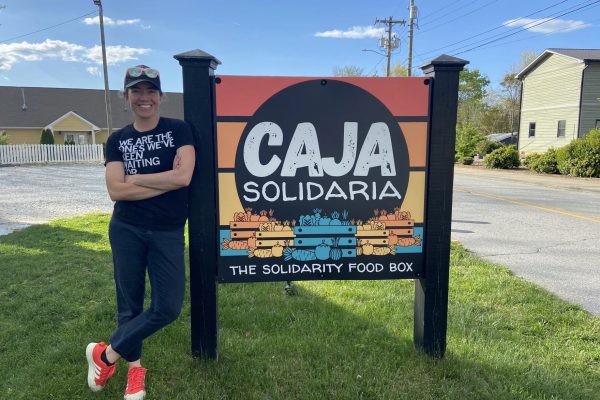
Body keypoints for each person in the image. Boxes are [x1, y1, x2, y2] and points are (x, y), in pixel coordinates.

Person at [86, 65, 195, 400]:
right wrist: (162, 179)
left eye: (150, 91)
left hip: (168, 230)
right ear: (126, 97)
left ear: (160, 96)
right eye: (137, 91)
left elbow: (183, 178)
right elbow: (116, 192)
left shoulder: (179, 130)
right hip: (127, 229)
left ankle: (104, 355)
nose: (144, 98)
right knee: (129, 304)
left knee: (168, 307)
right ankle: (134, 371)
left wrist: (134, 178)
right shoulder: (118, 140)